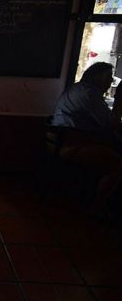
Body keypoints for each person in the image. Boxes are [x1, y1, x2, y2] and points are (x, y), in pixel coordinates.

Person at [52, 61, 122, 212]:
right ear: (97, 77)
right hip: (74, 146)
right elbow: (112, 124)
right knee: (118, 164)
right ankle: (98, 207)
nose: (111, 81)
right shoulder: (89, 94)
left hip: (65, 141)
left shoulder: (78, 88)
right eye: (108, 76)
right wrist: (118, 101)